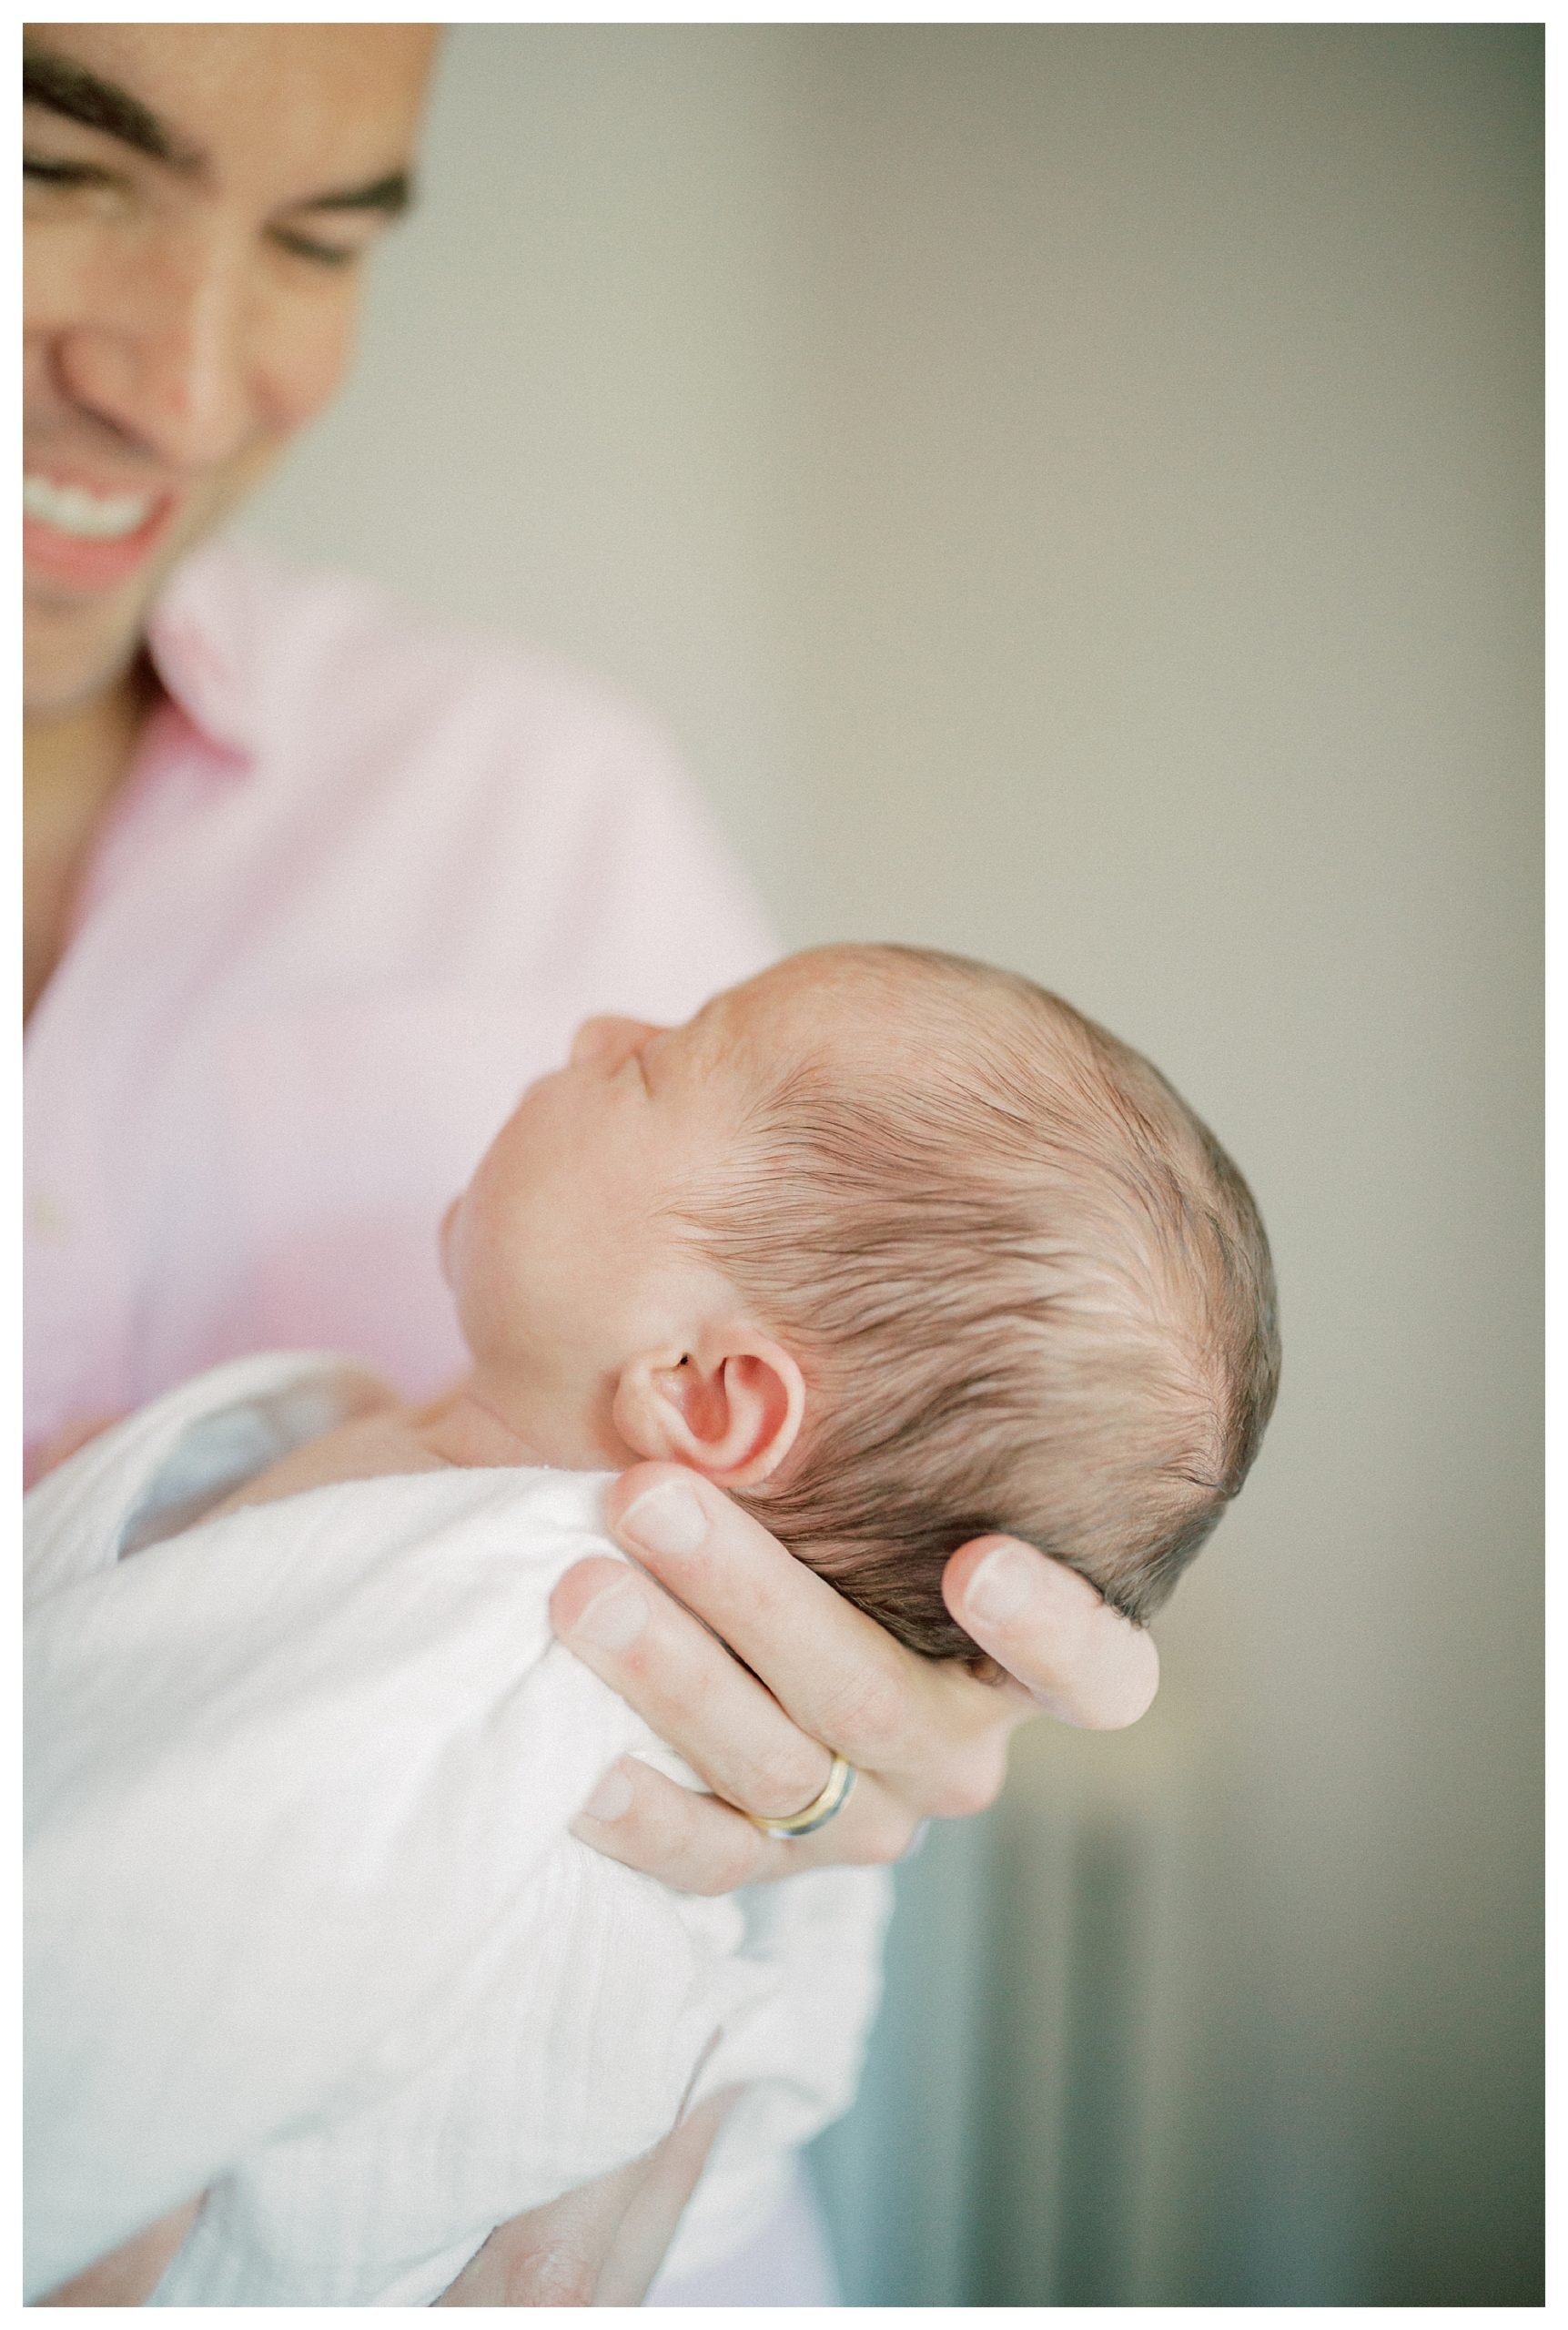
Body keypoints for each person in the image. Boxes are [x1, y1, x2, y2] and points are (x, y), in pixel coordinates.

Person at [23, 25, 1161, 2305]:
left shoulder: (538, 790)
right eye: (49, 169)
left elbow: (856, 1567)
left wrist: (854, 1765)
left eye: (324, 237)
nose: (183, 377)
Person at [25, 944, 1277, 2305]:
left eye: (647, 1064)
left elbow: (115, 2000)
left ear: (705, 1392)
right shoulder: (421, 1505)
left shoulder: (501, 1649)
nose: (595, 1021)